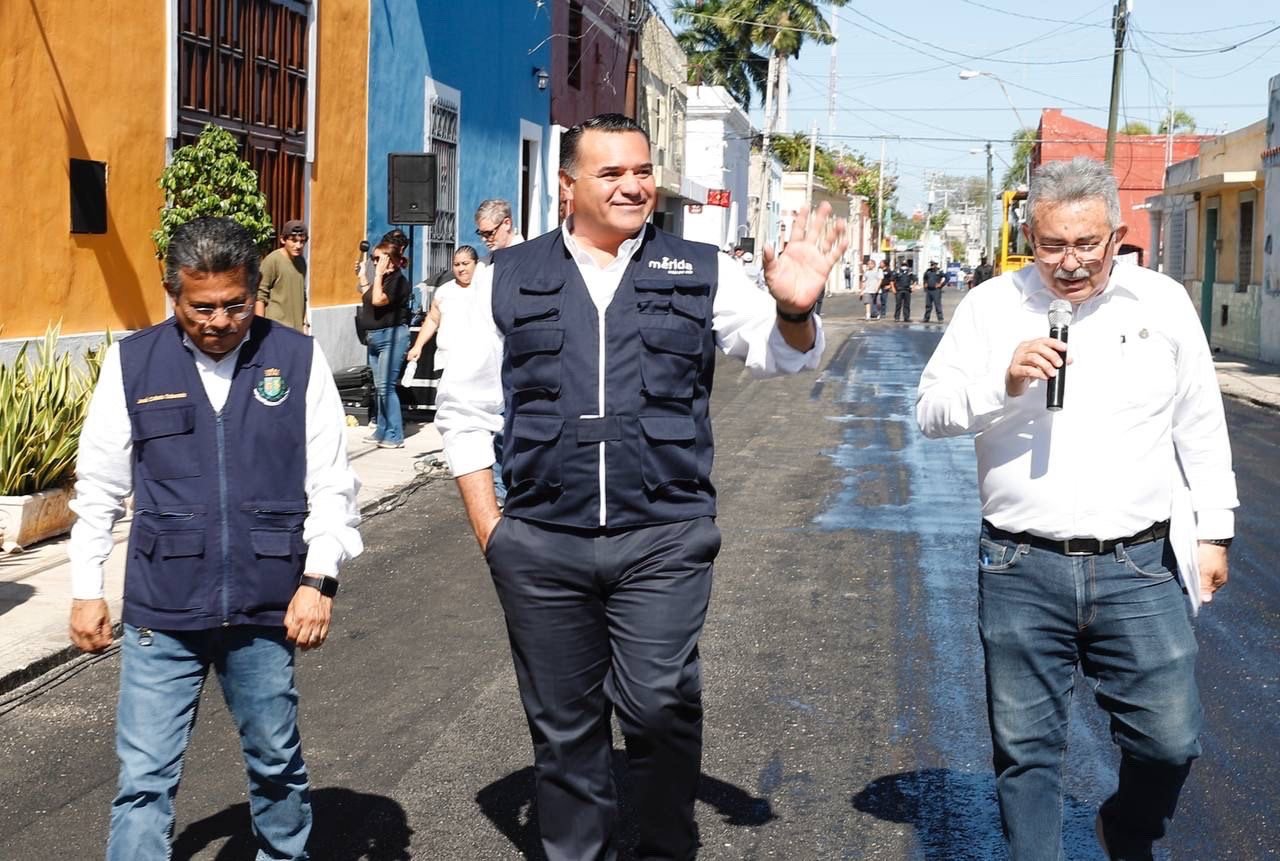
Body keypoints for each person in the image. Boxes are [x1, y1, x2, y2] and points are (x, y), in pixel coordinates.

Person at [435, 113, 848, 861]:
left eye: (642, 170)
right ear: (567, 187)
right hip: (543, 543)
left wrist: (794, 306)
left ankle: (663, 844)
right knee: (563, 729)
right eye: (611, 173)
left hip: (662, 537)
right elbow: (464, 413)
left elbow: (783, 356)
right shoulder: (506, 278)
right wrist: (494, 533)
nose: (633, 185)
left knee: (658, 704)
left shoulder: (699, 267)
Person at [916, 157, 1238, 861]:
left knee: (1171, 738)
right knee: (1026, 753)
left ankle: (1124, 828)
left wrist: (1215, 530)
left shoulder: (1162, 304)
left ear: (1116, 233)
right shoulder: (990, 307)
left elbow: (1200, 421)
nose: (1069, 263)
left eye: (1086, 244)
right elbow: (931, 410)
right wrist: (1001, 383)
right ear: (1030, 234)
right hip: (1019, 565)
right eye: (1052, 244)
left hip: (1139, 566)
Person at [67, 216, 362, 861]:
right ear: (173, 294)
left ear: (255, 291)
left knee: (276, 767)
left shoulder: (296, 359)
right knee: (143, 781)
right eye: (202, 307)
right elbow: (99, 487)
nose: (221, 321)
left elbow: (332, 483)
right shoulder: (133, 363)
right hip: (162, 608)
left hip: (264, 604)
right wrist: (87, 588)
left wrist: (319, 579)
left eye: (237, 304)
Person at [357, 240, 412, 448]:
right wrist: (363, 275)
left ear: (393, 261)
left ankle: (395, 435)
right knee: (379, 387)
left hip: (391, 336)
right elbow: (368, 297)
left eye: (378, 259)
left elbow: (379, 300)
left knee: (386, 387)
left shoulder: (398, 281)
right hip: (375, 336)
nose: (375, 262)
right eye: (373, 259)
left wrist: (378, 274)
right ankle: (382, 429)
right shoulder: (384, 279)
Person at [406, 245, 480, 371]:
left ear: (476, 264)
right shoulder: (444, 291)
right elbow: (433, 320)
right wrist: (418, 346)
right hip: (447, 361)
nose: (461, 268)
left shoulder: (485, 287)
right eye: (456, 264)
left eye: (465, 263)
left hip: (477, 361)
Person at [256, 219, 309, 332]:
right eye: (294, 241)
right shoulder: (272, 260)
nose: (298, 245)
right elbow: (260, 296)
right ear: (283, 240)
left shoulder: (301, 262)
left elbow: (302, 295)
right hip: (276, 328)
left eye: (302, 241)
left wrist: (305, 324)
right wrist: (259, 329)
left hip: (297, 330)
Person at [860, 255, 880, 320]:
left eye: (871, 264)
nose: (869, 265)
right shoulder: (866, 272)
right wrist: (862, 291)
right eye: (868, 264)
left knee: (877, 303)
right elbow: (863, 281)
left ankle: (877, 313)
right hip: (867, 289)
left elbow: (880, 280)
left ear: (874, 265)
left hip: (876, 289)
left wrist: (877, 288)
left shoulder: (878, 271)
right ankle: (868, 314)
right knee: (867, 302)